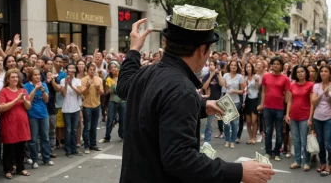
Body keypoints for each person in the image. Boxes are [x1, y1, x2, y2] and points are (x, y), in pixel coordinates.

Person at [116, 16, 274, 182]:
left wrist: (201, 105)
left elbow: (125, 85)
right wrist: (239, 171)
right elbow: (179, 159)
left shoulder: (147, 72)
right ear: (202, 49)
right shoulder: (181, 89)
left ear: (166, 43)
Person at [0, 68, 31, 179]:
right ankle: (8, 169)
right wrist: (17, 99)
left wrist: (25, 100)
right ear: (7, 79)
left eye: (16, 77)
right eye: (12, 77)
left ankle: (21, 167)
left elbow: (28, 107)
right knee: (9, 147)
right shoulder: (3, 91)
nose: (15, 79)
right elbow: (2, 107)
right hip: (9, 123)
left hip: (21, 123)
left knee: (21, 147)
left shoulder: (23, 90)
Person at [258, 57, 290, 162]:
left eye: (277, 64)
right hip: (267, 107)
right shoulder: (266, 77)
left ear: (281, 66)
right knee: (268, 131)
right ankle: (268, 151)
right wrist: (262, 104)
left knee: (279, 132)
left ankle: (277, 152)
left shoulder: (285, 79)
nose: (275, 65)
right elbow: (263, 92)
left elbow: (287, 96)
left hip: (280, 109)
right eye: (274, 63)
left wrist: (287, 111)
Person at [285, 65, 313, 171]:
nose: (300, 73)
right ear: (295, 74)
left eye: (302, 71)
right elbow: (290, 101)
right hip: (293, 116)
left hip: (305, 116)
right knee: (296, 140)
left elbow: (311, 103)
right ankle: (297, 161)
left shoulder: (310, 85)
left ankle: (306, 162)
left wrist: (310, 118)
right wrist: (287, 114)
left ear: (306, 73)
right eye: (298, 72)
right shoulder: (292, 85)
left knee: (305, 140)